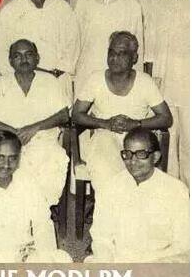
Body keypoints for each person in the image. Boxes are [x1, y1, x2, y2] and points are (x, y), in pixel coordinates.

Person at [72, 31, 173, 201]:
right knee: (105, 169)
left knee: (135, 171)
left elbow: (166, 118)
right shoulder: (95, 79)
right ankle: (109, 212)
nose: (114, 58)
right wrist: (105, 123)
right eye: (111, 52)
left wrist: (136, 124)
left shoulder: (145, 81)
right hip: (104, 138)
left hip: (137, 139)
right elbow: (76, 115)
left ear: (134, 58)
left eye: (122, 53)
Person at [0, 131, 72, 263]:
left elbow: (43, 226)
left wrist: (45, 261)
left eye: (12, 158)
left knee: (62, 259)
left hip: (23, 257)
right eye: (0, 157)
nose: (6, 164)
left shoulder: (29, 184)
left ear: (19, 158)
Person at [0, 39, 69, 205]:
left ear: (37, 58)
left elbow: (64, 115)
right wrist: (12, 131)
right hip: (7, 143)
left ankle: (37, 211)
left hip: (43, 142)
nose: (24, 60)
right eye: (17, 56)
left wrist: (34, 128)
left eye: (28, 55)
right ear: (10, 61)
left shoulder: (50, 82)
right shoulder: (1, 83)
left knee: (49, 167)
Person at [87, 128, 189, 263]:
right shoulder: (111, 187)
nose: (133, 161)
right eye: (127, 154)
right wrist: (108, 262)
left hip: (161, 260)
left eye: (141, 154)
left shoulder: (176, 190)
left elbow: (183, 243)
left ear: (156, 157)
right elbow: (101, 237)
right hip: (120, 260)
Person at [0, 0, 79, 101]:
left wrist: (55, 73)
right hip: (23, 83)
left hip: (58, 81)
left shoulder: (62, 8)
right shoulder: (10, 11)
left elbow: (73, 45)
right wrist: (20, 75)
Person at [144, 0, 190, 187]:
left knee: (189, 146)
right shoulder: (157, 1)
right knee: (166, 145)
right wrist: (150, 82)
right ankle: (171, 196)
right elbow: (149, 46)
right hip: (164, 84)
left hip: (189, 86)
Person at [74, 0, 143, 95]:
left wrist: (136, 80)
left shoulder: (131, 3)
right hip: (87, 72)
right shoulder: (83, 2)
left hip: (119, 76)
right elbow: (74, 42)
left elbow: (137, 47)